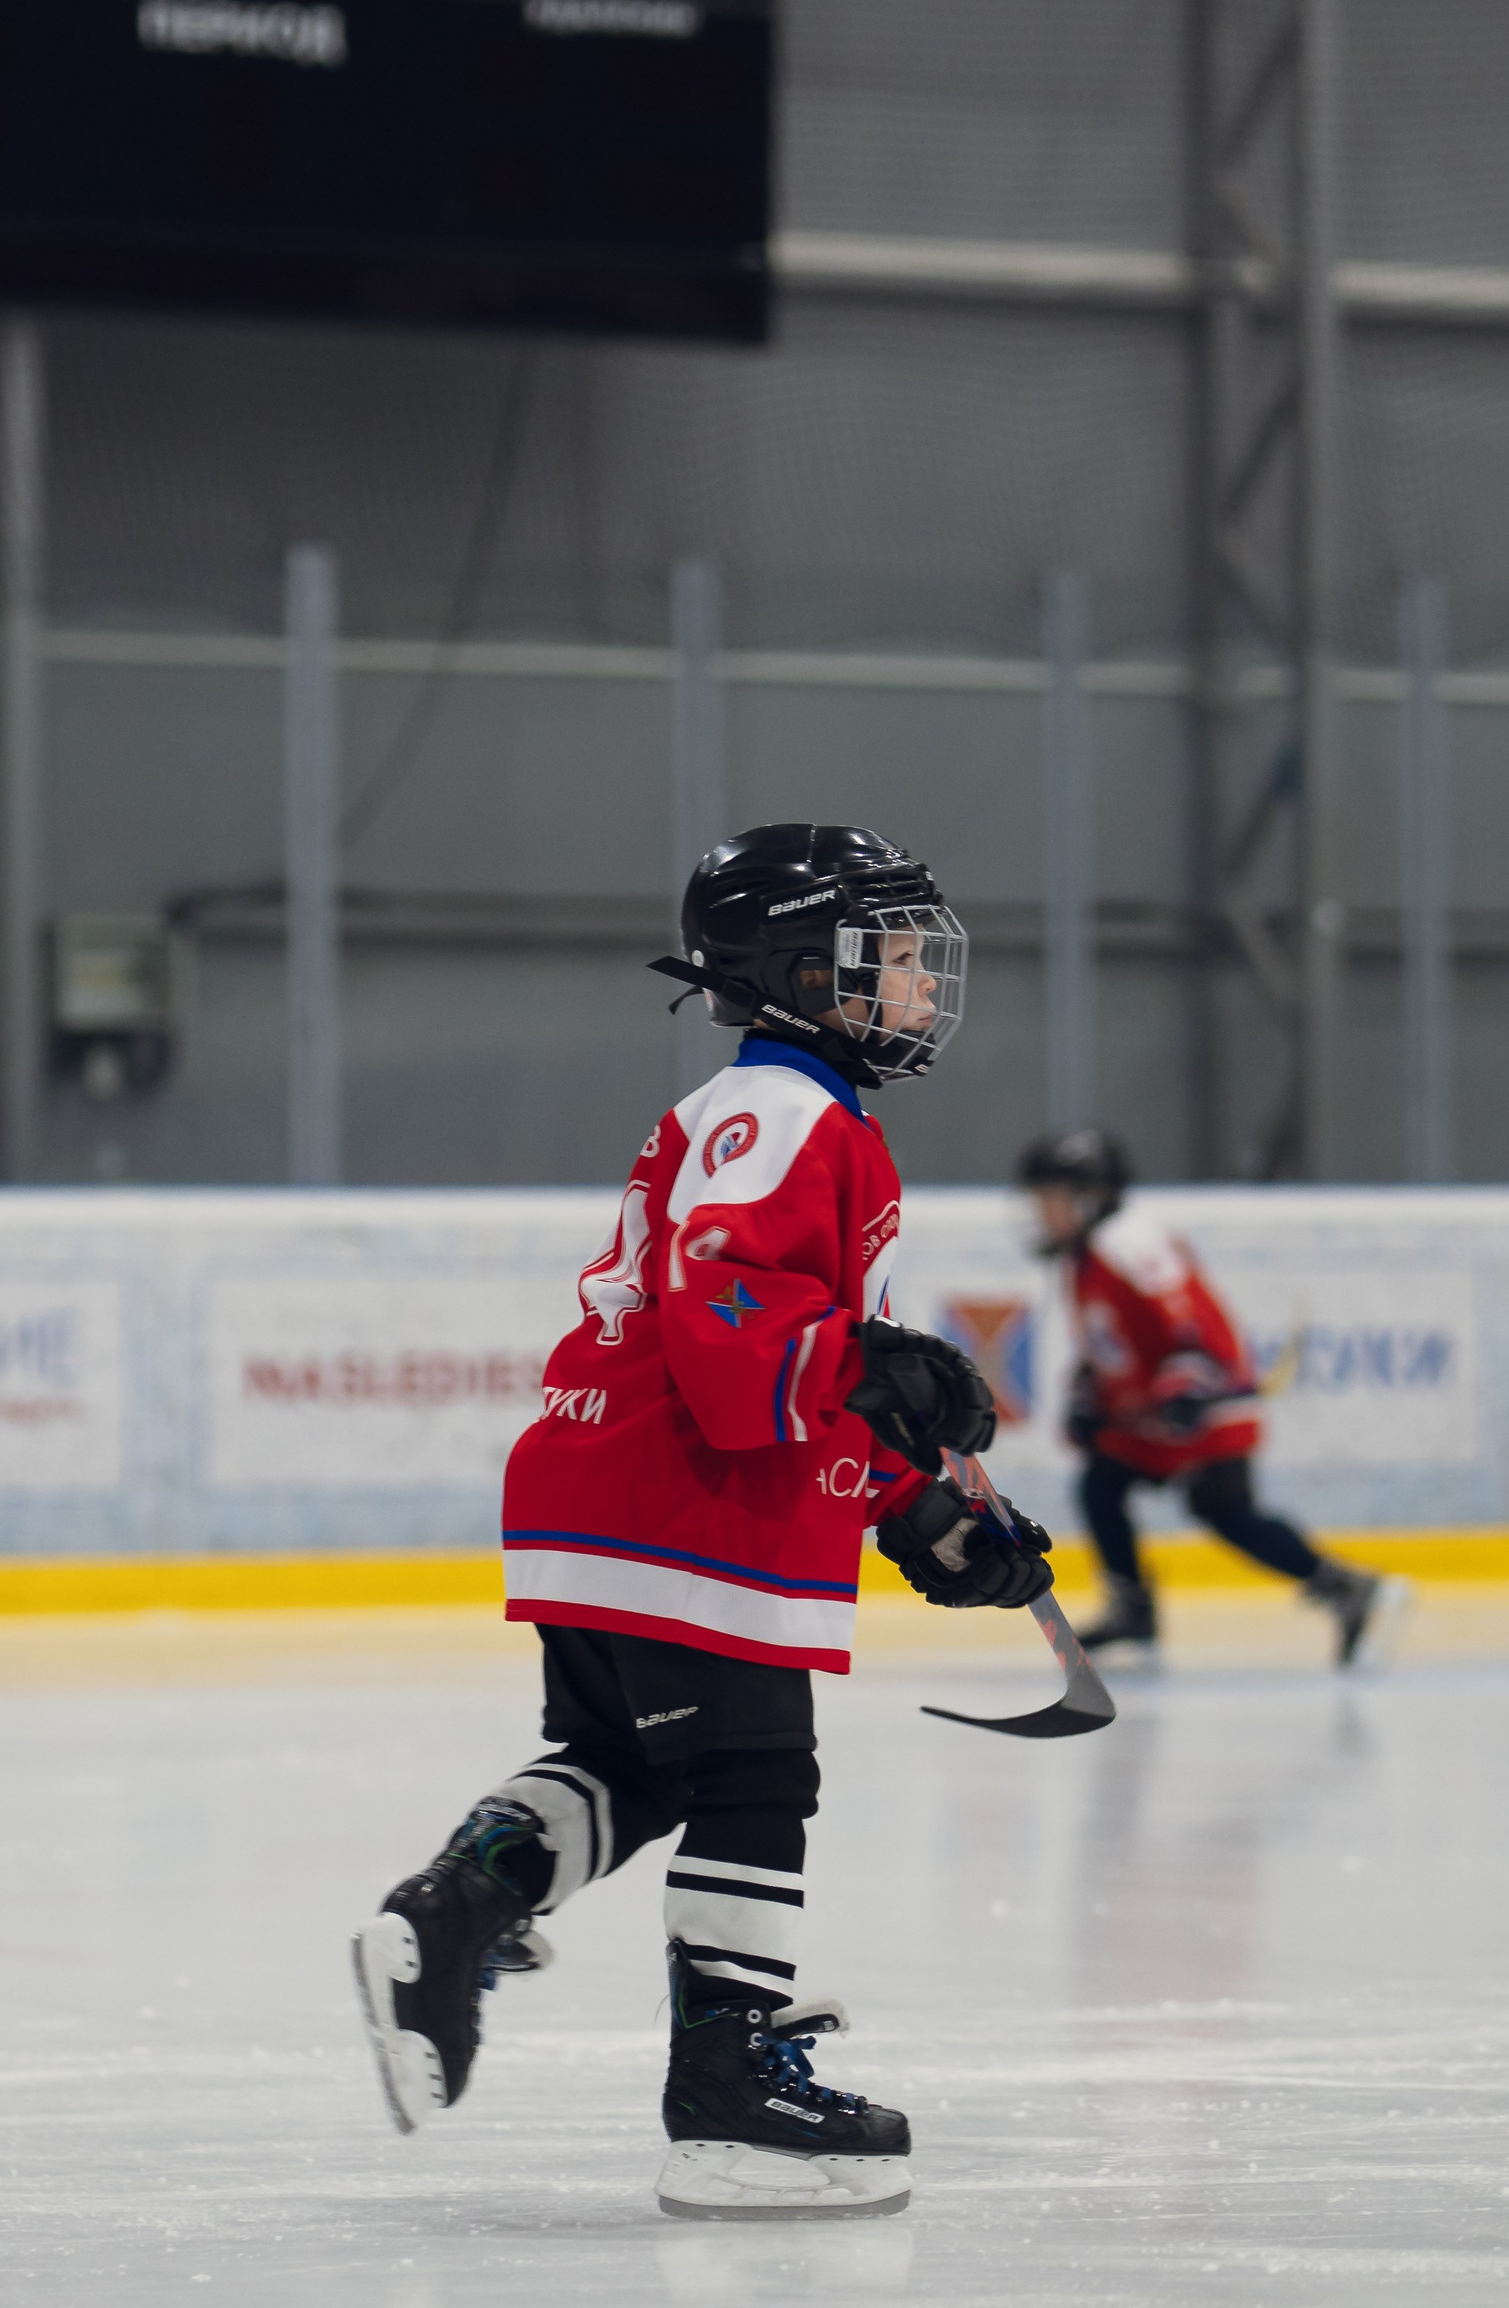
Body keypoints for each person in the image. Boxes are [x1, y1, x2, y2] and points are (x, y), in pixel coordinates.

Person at [353, 825, 1058, 2220]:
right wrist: (868, 1364)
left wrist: (914, 1504)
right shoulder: (783, 1108)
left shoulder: (808, 1112)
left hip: (613, 1492)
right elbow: (727, 1306)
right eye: (892, 955)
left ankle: (453, 1913)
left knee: (640, 1764)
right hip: (680, 1500)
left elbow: (782, 1352)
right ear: (801, 970)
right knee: (752, 1784)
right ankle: (729, 2093)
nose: (919, 981)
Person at [1016, 1124, 1408, 1667]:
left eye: (1048, 1197)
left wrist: (1188, 1374)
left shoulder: (1127, 1240)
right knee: (1103, 1484)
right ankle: (1133, 1608)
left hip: (1205, 1399)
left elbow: (1181, 1310)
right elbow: (1117, 1339)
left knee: (1223, 1509)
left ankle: (1345, 1586)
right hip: (1159, 1410)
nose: (1040, 1211)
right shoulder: (1086, 1256)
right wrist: (1090, 1390)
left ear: (1089, 1196)